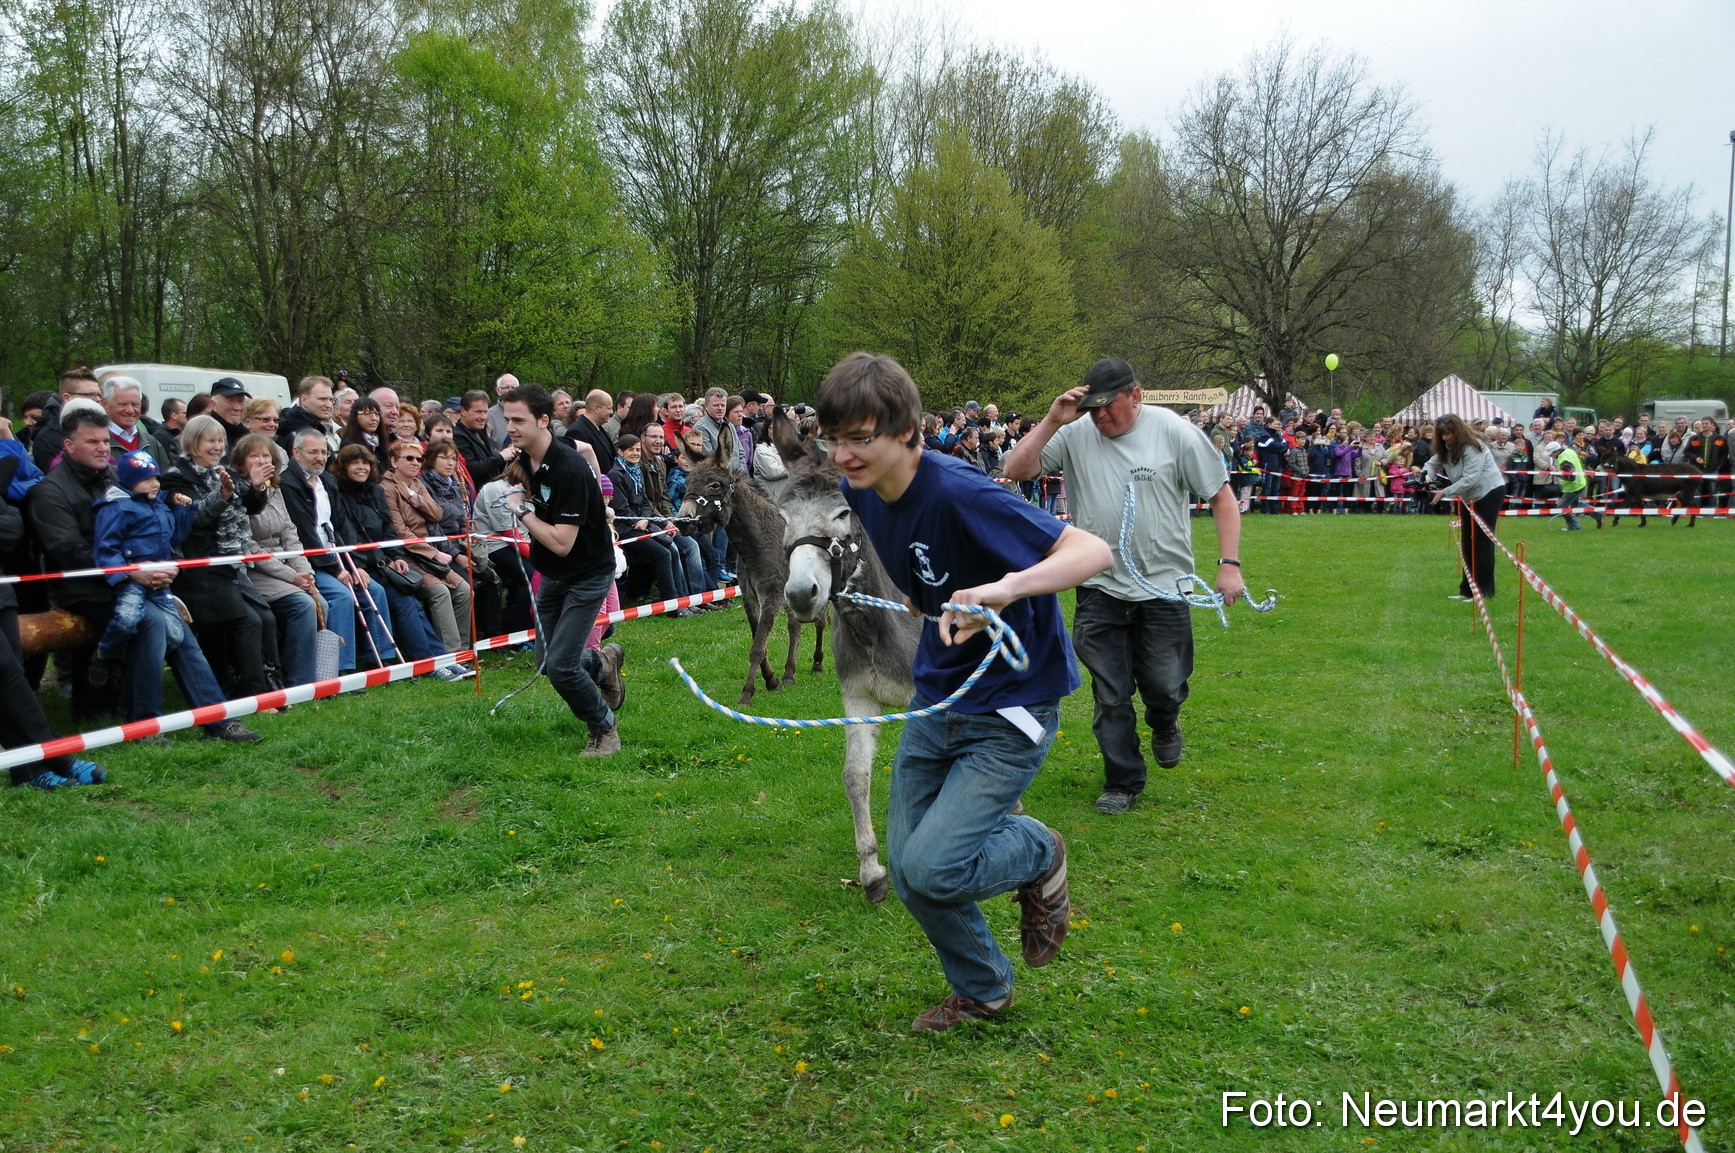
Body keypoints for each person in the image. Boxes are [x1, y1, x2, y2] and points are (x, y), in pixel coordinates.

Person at [815, 351, 1112, 1034]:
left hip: (1010, 706)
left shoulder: (957, 490)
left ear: (908, 431)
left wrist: (1002, 590)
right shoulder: (862, 493)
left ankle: (1039, 851)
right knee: (913, 871)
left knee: (931, 865)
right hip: (939, 695)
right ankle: (983, 988)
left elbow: (1091, 551)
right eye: (835, 437)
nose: (844, 453)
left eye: (861, 437)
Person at [1003, 357, 1246, 816]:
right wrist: (1054, 419)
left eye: (1108, 406)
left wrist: (1229, 565)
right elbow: (1015, 470)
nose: (1099, 417)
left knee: (1165, 684)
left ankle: (1165, 720)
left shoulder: (1174, 431)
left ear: (1135, 395)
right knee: (1110, 693)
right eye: (1091, 407)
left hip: (1165, 587)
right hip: (1099, 587)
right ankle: (1122, 781)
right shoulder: (1075, 433)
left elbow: (1221, 496)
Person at [31, 406, 259, 742]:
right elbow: (68, 552)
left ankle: (218, 718)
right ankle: (145, 725)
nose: (102, 448)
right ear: (67, 446)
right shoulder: (50, 492)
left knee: (178, 630)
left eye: (105, 441)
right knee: (153, 623)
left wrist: (163, 546)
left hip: (141, 579)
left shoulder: (118, 477)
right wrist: (132, 570)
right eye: (92, 441)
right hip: (85, 586)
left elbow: (155, 524)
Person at [500, 384, 624, 754]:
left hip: (587, 574)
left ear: (544, 420)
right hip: (552, 573)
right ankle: (603, 664)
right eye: (507, 419)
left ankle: (605, 728)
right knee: (547, 663)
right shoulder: (525, 460)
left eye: (519, 420)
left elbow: (561, 541)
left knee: (563, 668)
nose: (511, 427)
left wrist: (521, 510)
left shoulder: (567, 469)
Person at [161, 416, 279, 703]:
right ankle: (255, 694)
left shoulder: (224, 471)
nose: (217, 447)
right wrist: (223, 494)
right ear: (193, 443)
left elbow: (250, 507)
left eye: (220, 441)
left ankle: (269, 683)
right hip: (201, 566)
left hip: (232, 564)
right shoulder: (176, 477)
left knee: (264, 616)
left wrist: (257, 486)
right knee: (247, 622)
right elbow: (195, 518)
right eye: (210, 441)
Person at [331, 444, 463, 680]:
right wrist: (360, 565)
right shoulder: (338, 493)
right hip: (361, 564)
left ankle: (441, 657)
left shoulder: (374, 491)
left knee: (410, 601)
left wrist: (396, 557)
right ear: (343, 466)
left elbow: (389, 530)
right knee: (405, 602)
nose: (361, 467)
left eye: (365, 462)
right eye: (354, 462)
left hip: (385, 560)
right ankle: (426, 663)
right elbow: (347, 534)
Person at [86, 450, 198, 689]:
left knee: (176, 635)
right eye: (147, 479)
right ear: (130, 481)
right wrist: (124, 571)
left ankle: (131, 664)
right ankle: (105, 656)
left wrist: (183, 512)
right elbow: (106, 547)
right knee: (126, 620)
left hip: (160, 582)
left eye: (156, 478)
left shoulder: (160, 508)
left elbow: (175, 537)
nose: (155, 484)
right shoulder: (116, 508)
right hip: (132, 581)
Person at [278, 428, 367, 674]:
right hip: (313, 561)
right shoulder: (289, 484)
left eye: (324, 452)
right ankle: (339, 668)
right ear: (296, 453)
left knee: (374, 589)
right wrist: (336, 569)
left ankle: (383, 658)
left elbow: (341, 524)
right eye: (313, 452)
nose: (320, 457)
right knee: (341, 596)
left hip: (336, 555)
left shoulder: (328, 481)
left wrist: (353, 564)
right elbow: (304, 533)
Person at [380, 439, 474, 663]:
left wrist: (413, 497)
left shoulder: (417, 484)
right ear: (393, 461)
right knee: (440, 592)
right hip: (409, 556)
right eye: (409, 458)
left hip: (431, 552)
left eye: (419, 459)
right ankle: (449, 656)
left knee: (464, 589)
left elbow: (437, 514)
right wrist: (433, 553)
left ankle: (462, 652)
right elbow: (400, 531)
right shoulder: (386, 488)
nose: (415, 463)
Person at [1422, 413, 1507, 600]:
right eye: (1442, 435)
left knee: (1481, 543)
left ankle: (1484, 592)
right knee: (1468, 542)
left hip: (1488, 492)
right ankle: (1467, 590)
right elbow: (1431, 464)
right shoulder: (1446, 447)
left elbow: (1470, 478)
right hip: (1470, 496)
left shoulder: (1472, 447)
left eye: (1449, 434)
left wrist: (1444, 492)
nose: (1445, 438)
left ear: (1458, 431)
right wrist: (1425, 476)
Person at [277, 375, 341, 457]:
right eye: (322, 399)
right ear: (304, 400)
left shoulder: (294, 426)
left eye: (331, 400)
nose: (329, 405)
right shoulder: (301, 435)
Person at [1551, 435, 1601, 531]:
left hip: (1573, 486)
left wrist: (1557, 474)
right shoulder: (1569, 451)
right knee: (1575, 504)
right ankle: (1598, 514)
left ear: (1556, 451)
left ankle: (1574, 525)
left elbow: (1570, 476)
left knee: (1561, 506)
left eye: (1551, 454)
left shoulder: (1563, 459)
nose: (1551, 456)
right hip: (1579, 482)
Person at [567, 389, 617, 476]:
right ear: (597, 408)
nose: (611, 412)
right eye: (609, 408)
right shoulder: (577, 432)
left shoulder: (599, 428)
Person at [207, 377, 251, 448]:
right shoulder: (205, 433)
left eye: (241, 401)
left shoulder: (245, 435)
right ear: (213, 404)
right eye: (230, 401)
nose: (237, 407)